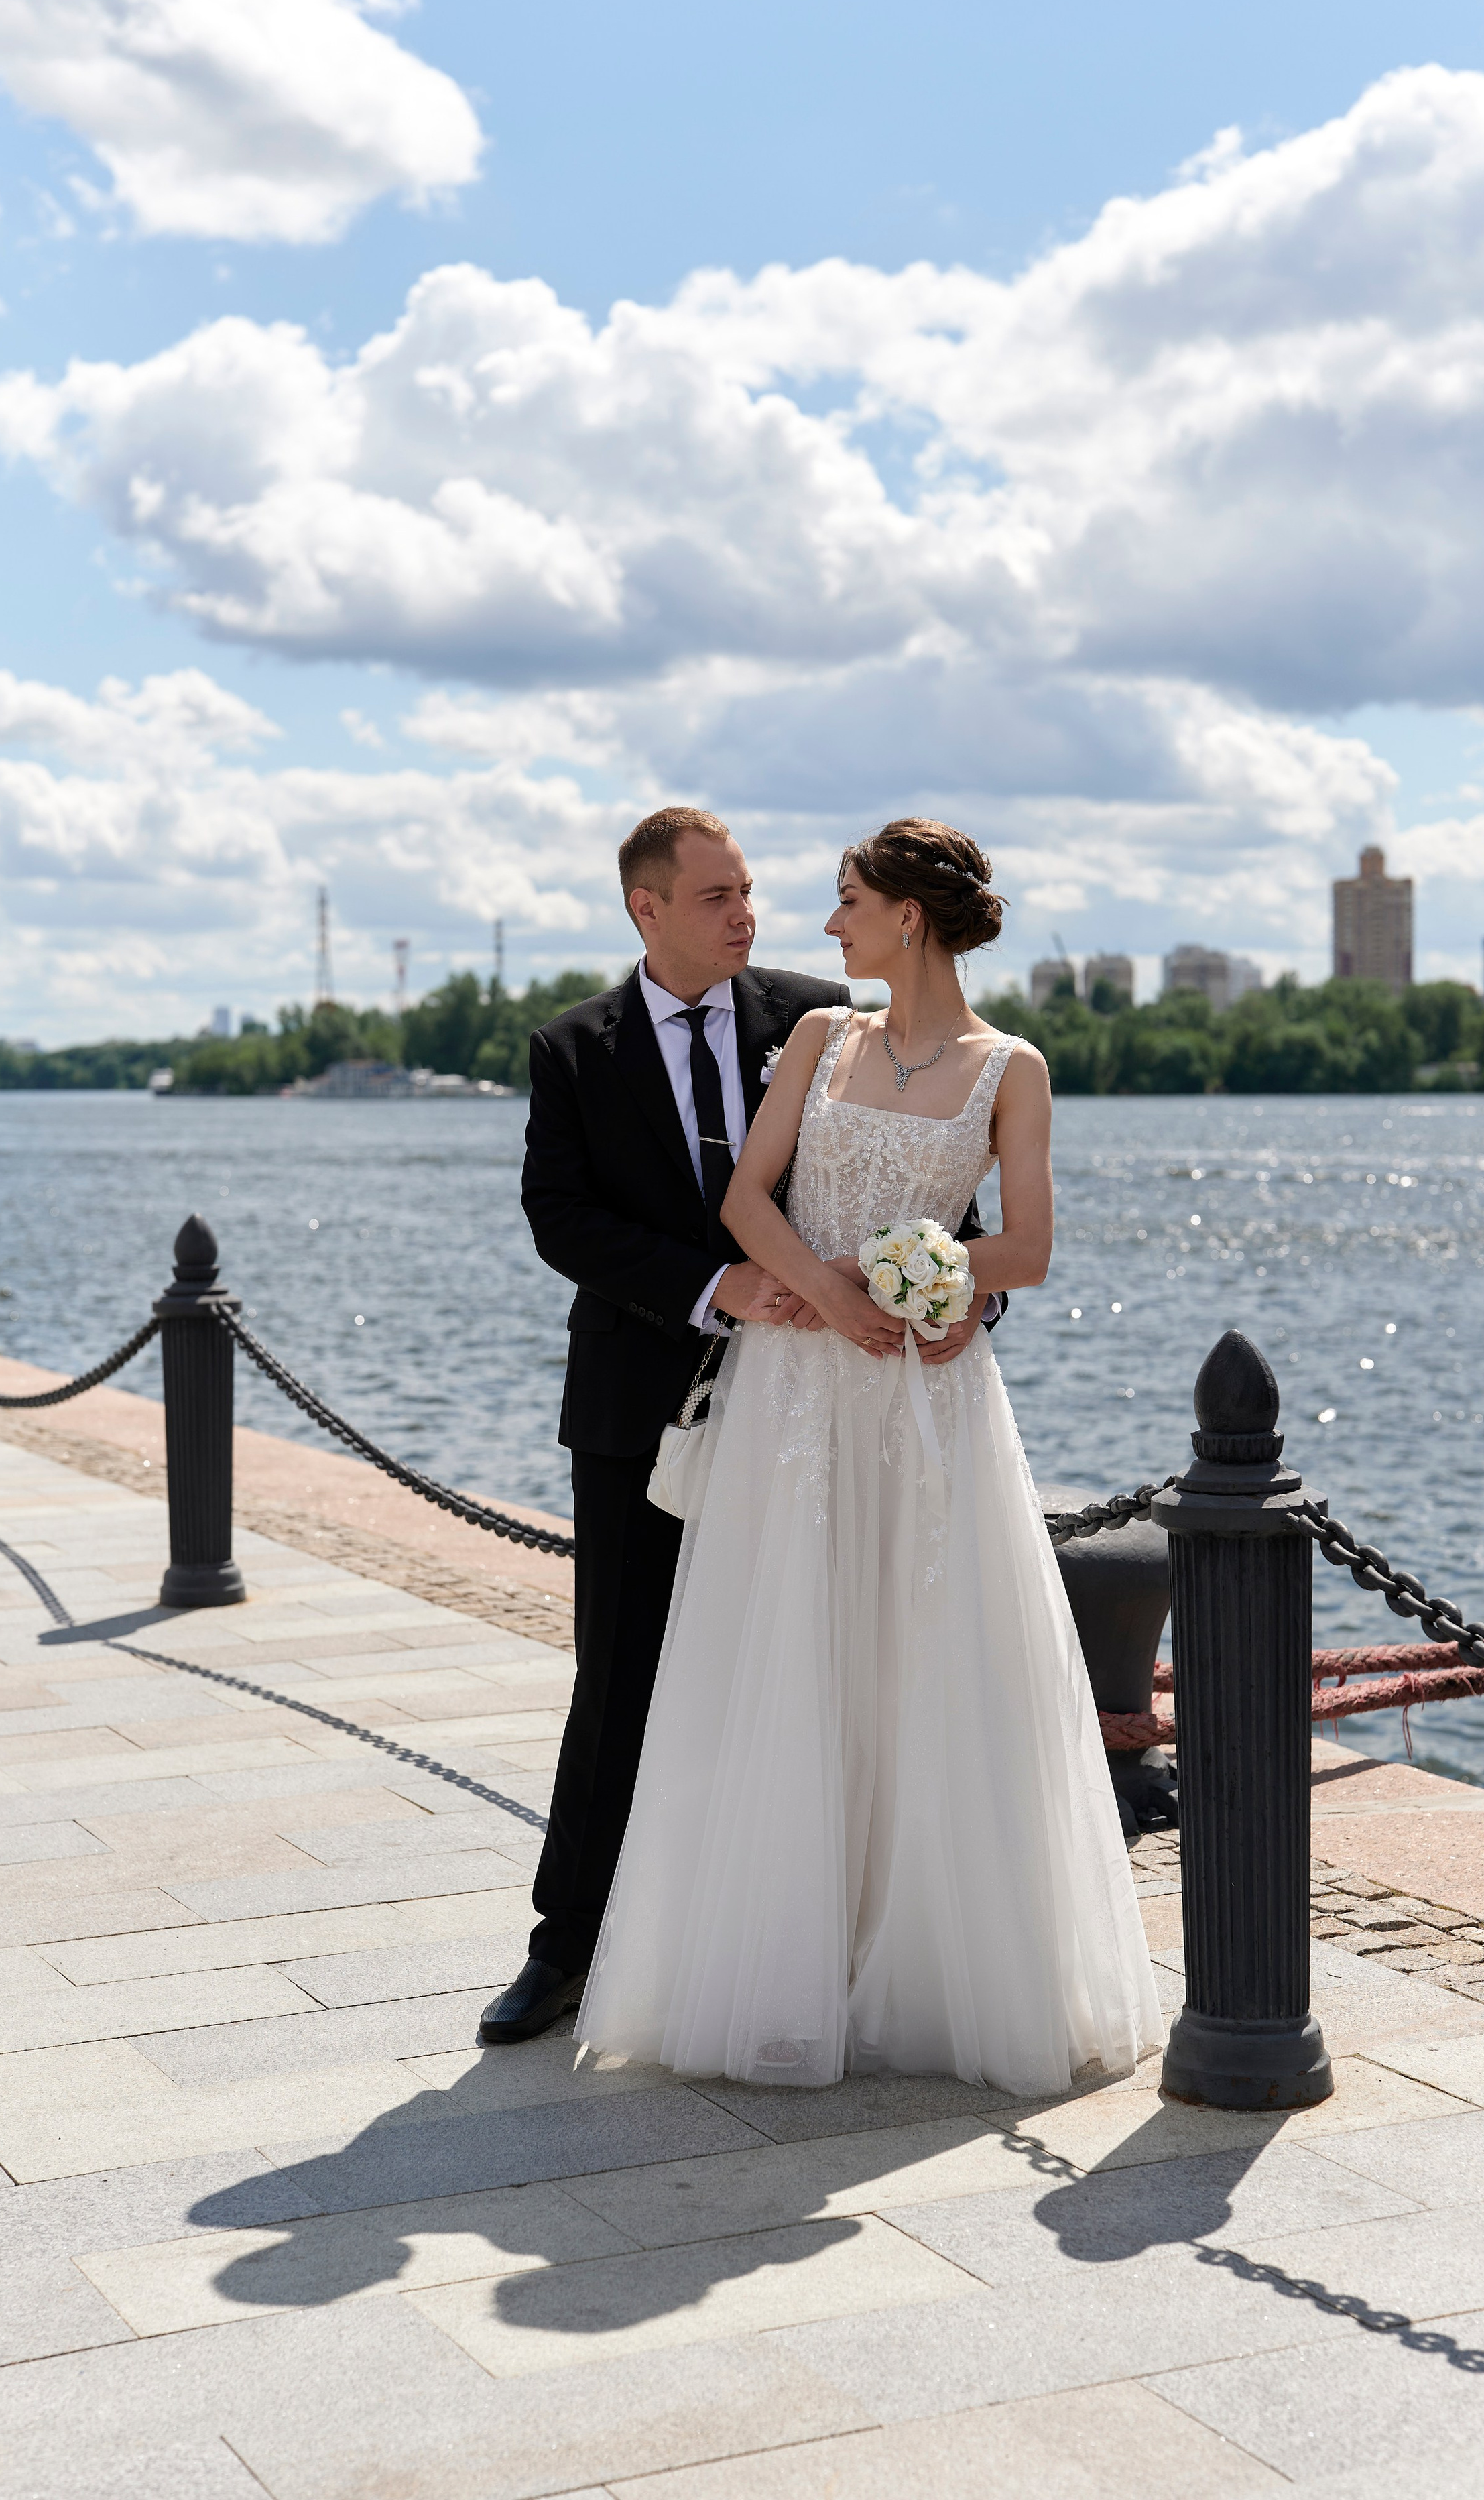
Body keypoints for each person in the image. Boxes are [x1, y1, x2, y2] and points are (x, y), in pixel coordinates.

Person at [575, 818, 1161, 2090]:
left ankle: (931, 1968)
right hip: (796, 1387)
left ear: (907, 917)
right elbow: (745, 1201)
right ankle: (783, 1963)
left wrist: (936, 1283)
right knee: (788, 1653)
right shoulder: (820, 1037)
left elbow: (1027, 1249)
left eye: (846, 902)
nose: (823, 926)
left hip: (926, 1404)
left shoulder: (1014, 1067)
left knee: (923, 1657)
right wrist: (835, 1297)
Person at [479, 807, 995, 2043]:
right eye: (717, 896)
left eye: (751, 889)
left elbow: (950, 1179)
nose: (747, 914)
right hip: (637, 1404)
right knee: (622, 1678)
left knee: (821, 1667)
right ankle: (569, 1949)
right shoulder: (574, 1049)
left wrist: (965, 1298)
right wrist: (718, 1288)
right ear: (645, 909)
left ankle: (809, 1945)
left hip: (830, 1408)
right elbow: (561, 1217)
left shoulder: (829, 1013)